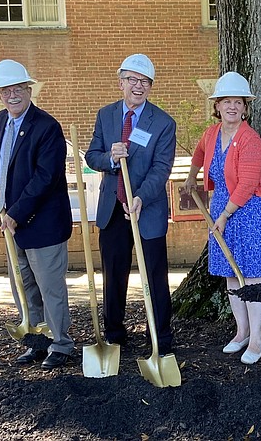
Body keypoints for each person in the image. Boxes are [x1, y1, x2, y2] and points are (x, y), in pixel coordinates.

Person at [183, 72, 261, 365]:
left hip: (250, 212)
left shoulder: (251, 140)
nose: (232, 107)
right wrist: (191, 177)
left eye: (238, 102)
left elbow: (248, 184)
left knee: (252, 275)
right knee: (230, 273)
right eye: (227, 101)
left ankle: (257, 339)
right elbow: (200, 154)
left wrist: (224, 216)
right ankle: (240, 333)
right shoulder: (212, 133)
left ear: (245, 107)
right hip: (223, 207)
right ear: (218, 106)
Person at [0, 59, 74, 370]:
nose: (12, 95)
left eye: (18, 88)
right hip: (13, 222)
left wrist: (16, 213)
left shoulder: (47, 127)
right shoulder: (2, 119)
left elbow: (45, 177)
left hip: (42, 222)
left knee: (50, 288)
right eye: (5, 91)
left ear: (29, 89)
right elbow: (7, 148)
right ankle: (37, 340)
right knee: (23, 286)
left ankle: (61, 344)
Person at [85, 54, 176, 353]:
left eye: (145, 82)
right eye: (133, 80)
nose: (138, 87)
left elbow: (161, 168)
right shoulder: (106, 115)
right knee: (114, 275)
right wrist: (110, 158)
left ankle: (160, 338)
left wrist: (140, 198)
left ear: (150, 86)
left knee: (155, 277)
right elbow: (91, 156)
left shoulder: (162, 122)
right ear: (121, 82)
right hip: (113, 210)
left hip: (146, 209)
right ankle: (114, 334)